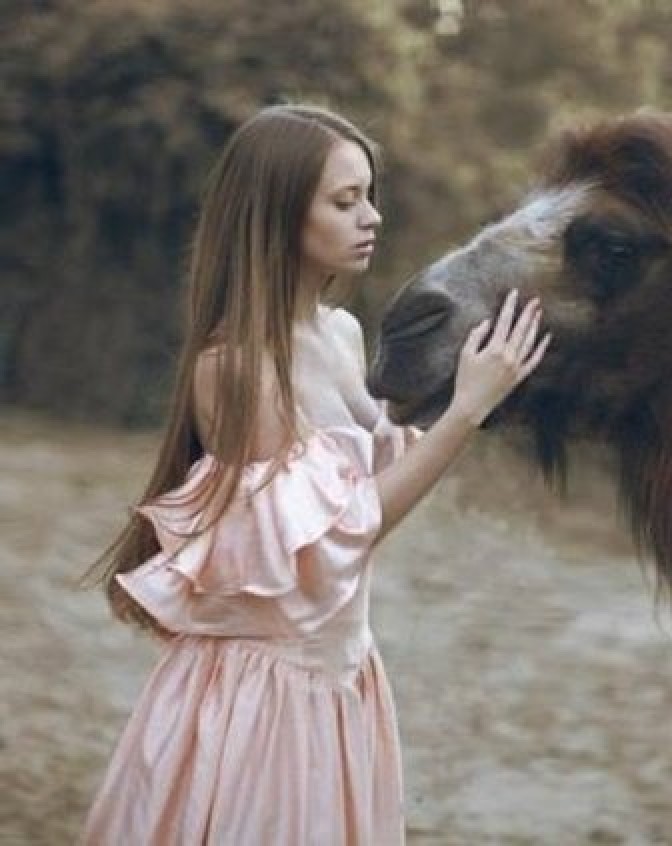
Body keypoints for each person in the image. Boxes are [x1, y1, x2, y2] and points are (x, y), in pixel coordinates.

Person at [79, 103, 549, 844]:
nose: (372, 218)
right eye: (344, 200)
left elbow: (375, 462)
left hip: (339, 675)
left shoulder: (340, 332)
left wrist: (479, 377)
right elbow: (343, 535)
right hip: (267, 701)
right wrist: (466, 412)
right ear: (277, 214)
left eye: (369, 195)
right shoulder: (234, 368)